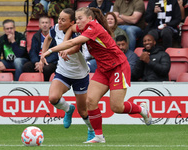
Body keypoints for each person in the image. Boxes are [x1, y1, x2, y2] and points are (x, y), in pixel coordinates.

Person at [41, 7, 152, 143]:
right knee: (90, 101)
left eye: (80, 18)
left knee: (117, 107)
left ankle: (142, 109)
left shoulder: (93, 28)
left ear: (89, 18)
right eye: (77, 19)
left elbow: (73, 42)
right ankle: (99, 136)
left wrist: (50, 51)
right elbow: (71, 30)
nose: (78, 21)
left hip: (118, 67)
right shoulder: (82, 26)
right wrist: (65, 40)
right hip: (103, 69)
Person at [38, 8, 95, 142]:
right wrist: (42, 56)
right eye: (59, 18)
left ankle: (92, 131)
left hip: (80, 75)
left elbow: (75, 47)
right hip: (63, 72)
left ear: (72, 22)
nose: (60, 22)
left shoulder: (78, 32)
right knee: (53, 98)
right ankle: (68, 109)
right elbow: (48, 39)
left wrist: (67, 51)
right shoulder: (56, 28)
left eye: (63, 20)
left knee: (83, 112)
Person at [23, 16, 58, 81]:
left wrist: (43, 62)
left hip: (49, 61)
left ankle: (45, 85)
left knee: (46, 69)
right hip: (38, 60)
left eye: (46, 23)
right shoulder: (36, 36)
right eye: (43, 23)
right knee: (26, 66)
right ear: (39, 25)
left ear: (50, 25)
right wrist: (37, 62)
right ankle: (31, 84)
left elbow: (55, 53)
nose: (44, 25)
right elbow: (32, 51)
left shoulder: (54, 36)